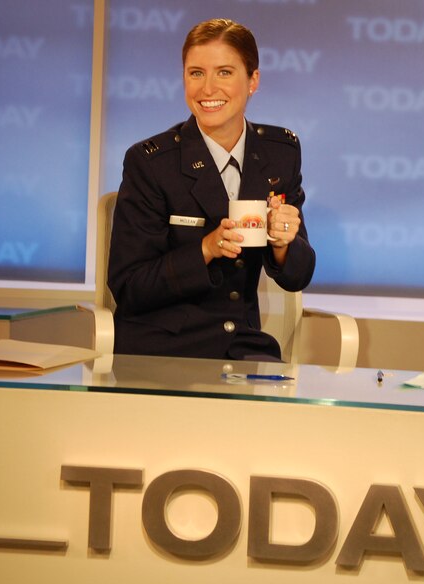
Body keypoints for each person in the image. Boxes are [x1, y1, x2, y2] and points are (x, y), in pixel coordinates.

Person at [108, 18, 315, 360]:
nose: (207, 89)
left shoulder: (280, 154)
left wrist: (283, 244)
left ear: (253, 81)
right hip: (161, 348)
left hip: (242, 348)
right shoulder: (151, 163)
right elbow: (129, 287)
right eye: (196, 73)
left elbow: (298, 276)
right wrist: (206, 249)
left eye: (224, 72)